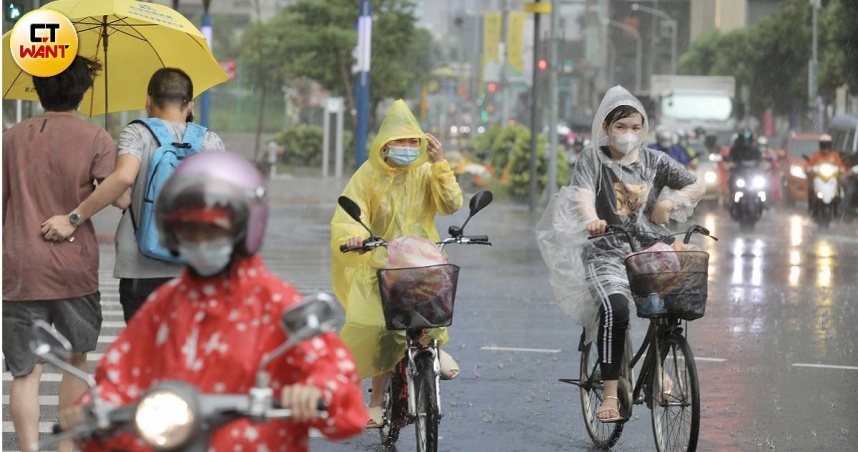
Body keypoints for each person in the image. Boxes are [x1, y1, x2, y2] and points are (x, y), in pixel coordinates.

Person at [59, 152, 367, 451]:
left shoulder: (277, 304)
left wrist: (316, 391)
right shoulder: (164, 306)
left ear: (244, 228)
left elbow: (342, 395)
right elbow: (118, 376)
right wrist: (94, 410)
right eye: (189, 230)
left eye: (212, 230)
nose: (200, 240)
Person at [536, 86, 704, 423]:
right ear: (606, 128)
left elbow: (697, 184)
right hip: (605, 252)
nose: (628, 135)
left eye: (635, 128)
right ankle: (610, 397)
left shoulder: (654, 160)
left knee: (673, 302)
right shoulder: (592, 159)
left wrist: (671, 202)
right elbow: (583, 195)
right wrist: (592, 220)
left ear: (644, 130)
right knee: (616, 308)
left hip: (648, 249)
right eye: (620, 127)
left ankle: (659, 367)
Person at [41, 68, 226, 323]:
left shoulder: (137, 133)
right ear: (190, 105)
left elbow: (123, 182)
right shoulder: (210, 141)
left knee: (144, 354)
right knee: (186, 353)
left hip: (141, 264)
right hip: (195, 266)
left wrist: (74, 218)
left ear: (148, 100)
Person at [330, 99, 464, 428]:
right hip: (382, 259)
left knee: (433, 296)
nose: (405, 148)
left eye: (411, 141)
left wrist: (440, 164)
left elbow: (451, 204)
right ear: (384, 145)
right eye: (398, 142)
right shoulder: (368, 175)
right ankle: (376, 401)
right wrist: (354, 238)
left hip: (423, 256)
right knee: (381, 328)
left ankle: (432, 346)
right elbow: (352, 215)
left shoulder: (427, 170)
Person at [2, 56, 111, 452]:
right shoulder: (97, 138)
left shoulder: (10, 138)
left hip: (20, 269)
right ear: (83, 92)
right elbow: (121, 197)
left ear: (37, 88)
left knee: (25, 371)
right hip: (74, 268)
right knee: (76, 360)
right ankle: (66, 448)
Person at [805, 134, 849, 212]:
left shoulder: (834, 155)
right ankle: (811, 205)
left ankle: (840, 204)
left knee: (842, 183)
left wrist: (842, 169)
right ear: (820, 145)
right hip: (819, 178)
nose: (825, 147)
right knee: (810, 186)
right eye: (823, 144)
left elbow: (840, 166)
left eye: (827, 144)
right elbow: (809, 165)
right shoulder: (816, 155)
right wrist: (808, 169)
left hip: (832, 178)